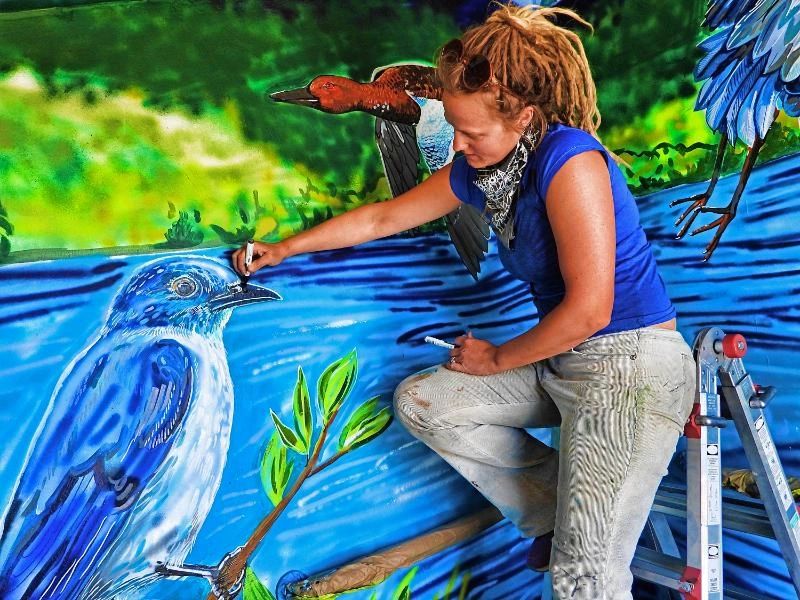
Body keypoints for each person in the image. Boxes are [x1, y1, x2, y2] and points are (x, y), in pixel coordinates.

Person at [232, 4, 695, 598]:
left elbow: (590, 311)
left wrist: (497, 359)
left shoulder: (570, 159)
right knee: (427, 401)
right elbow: (382, 216)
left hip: (630, 367)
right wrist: (284, 248)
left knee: (583, 580)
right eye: (453, 126)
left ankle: (582, 521)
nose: (456, 142)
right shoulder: (482, 172)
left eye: (469, 132)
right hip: (563, 361)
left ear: (523, 117)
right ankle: (561, 507)